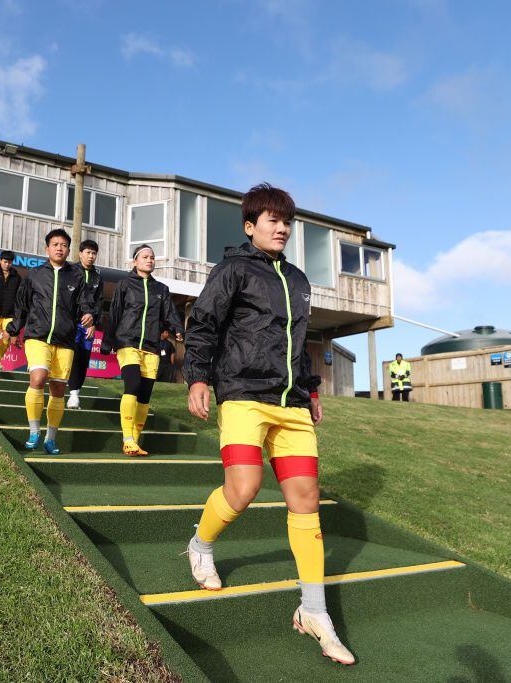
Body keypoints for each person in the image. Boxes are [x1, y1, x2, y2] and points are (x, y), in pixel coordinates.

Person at [183, 183, 355, 666]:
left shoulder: (298, 279)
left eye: (286, 222)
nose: (281, 228)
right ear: (249, 226)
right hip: (242, 394)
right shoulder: (233, 268)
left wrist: (312, 388)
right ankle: (201, 544)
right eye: (271, 220)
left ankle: (314, 612)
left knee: (306, 501)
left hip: (292, 404)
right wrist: (197, 377)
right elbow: (204, 324)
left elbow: (298, 342)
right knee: (244, 486)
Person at [5, 229, 96, 455]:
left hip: (65, 341)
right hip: (37, 337)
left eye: (63, 245)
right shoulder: (34, 275)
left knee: (58, 389)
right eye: (55, 244)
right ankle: (34, 431)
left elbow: (85, 303)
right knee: (38, 378)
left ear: (68, 250)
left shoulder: (76, 277)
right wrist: (13, 330)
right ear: (47, 249)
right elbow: (22, 305)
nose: (59, 248)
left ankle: (51, 438)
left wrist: (88, 314)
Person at [100, 244, 183, 456]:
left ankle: (134, 442)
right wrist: (108, 341)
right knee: (133, 385)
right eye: (145, 257)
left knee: (145, 395)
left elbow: (170, 314)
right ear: (135, 261)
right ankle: (127, 438)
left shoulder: (161, 290)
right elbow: (114, 312)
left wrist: (178, 329)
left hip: (151, 346)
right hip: (127, 342)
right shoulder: (125, 284)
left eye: (152, 257)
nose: (150, 260)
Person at [66, 240, 104, 409]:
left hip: (89, 326)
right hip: (72, 323)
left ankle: (75, 395)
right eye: (88, 252)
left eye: (94, 253)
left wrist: (94, 323)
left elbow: (99, 302)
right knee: (71, 358)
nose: (91, 256)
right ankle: (68, 393)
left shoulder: (98, 276)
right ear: (80, 253)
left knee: (83, 359)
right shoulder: (71, 271)